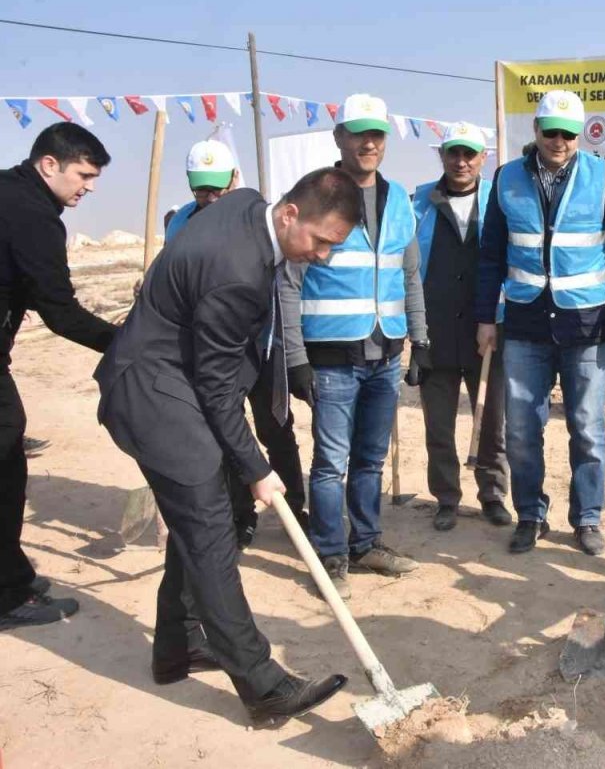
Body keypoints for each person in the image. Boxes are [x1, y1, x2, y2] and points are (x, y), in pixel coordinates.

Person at [94, 168, 358, 723]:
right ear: (289, 214)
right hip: (155, 393)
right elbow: (217, 392)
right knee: (212, 530)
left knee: (201, 519)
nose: (324, 257)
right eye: (321, 242)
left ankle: (178, 645)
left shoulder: (247, 204)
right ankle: (263, 685)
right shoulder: (236, 272)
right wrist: (258, 467)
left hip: (173, 380)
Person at [475, 90, 605, 556]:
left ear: (581, 135)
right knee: (523, 431)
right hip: (526, 324)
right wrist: (486, 317)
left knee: (587, 427)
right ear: (536, 130)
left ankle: (587, 518)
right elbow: (490, 255)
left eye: (569, 133)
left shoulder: (603, 178)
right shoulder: (507, 178)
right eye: (551, 131)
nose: (560, 141)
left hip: (587, 326)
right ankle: (531, 515)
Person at [280, 93, 427, 599]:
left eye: (377, 134)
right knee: (329, 463)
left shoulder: (401, 200)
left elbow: (409, 276)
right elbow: (289, 283)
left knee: (370, 460)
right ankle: (329, 555)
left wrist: (419, 338)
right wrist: (295, 358)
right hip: (331, 359)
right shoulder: (316, 196)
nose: (368, 143)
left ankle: (366, 543)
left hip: (385, 353)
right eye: (358, 133)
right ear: (338, 137)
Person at [163, 139, 309, 548]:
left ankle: (295, 508)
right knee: (226, 432)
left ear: (235, 179)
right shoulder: (180, 224)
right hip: (211, 350)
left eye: (217, 188)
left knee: (276, 428)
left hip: (261, 346)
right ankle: (240, 516)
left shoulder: (262, 219)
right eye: (201, 190)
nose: (210, 198)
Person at [0, 123, 117, 632]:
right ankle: (7, 596)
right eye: (83, 175)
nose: (88, 186)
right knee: (6, 462)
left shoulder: (9, 191)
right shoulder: (32, 215)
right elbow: (62, 314)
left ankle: (14, 574)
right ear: (50, 164)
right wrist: (126, 343)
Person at [409, 122, 511, 532]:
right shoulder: (420, 201)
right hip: (436, 330)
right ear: (442, 155)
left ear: (483, 157)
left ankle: (492, 494)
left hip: (489, 329)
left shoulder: (499, 201)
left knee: (492, 423)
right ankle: (446, 498)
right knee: (439, 425)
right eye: (454, 153)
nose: (462, 161)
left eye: (470, 153)